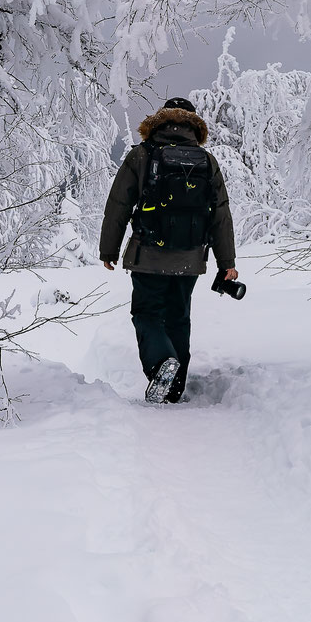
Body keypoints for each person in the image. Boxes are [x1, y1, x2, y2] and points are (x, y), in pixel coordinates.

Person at [100, 96, 238, 403]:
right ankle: (174, 391)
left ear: (159, 121)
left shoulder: (141, 155)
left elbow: (118, 205)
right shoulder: (206, 160)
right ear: (194, 125)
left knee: (147, 313)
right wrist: (226, 261)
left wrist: (109, 249)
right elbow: (221, 213)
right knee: (178, 317)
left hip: (148, 255)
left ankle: (161, 363)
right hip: (190, 257)